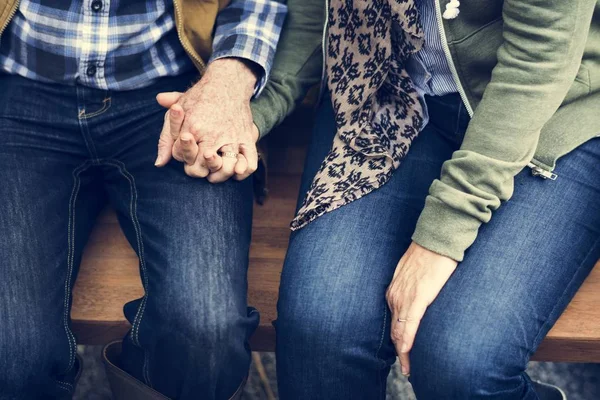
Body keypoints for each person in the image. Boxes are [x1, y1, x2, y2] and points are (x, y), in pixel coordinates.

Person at [249, 0, 600, 398]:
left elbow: (539, 59)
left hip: (553, 106)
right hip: (388, 88)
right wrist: (255, 112)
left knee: (459, 364)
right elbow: (320, 9)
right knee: (321, 328)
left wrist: (439, 239)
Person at [0, 0, 287, 399]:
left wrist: (230, 77)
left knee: (203, 334)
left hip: (176, 92)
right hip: (18, 90)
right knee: (12, 353)